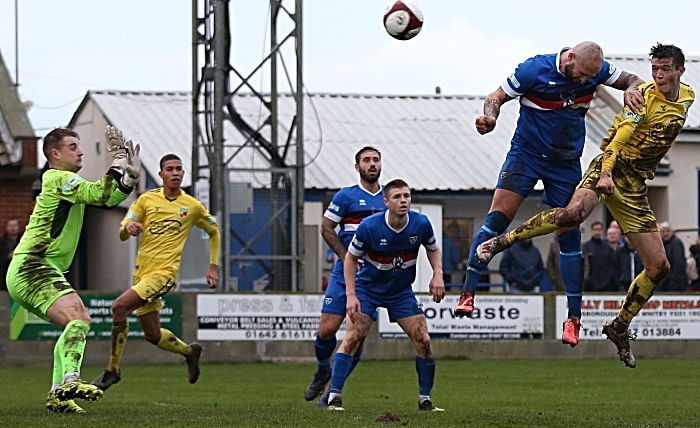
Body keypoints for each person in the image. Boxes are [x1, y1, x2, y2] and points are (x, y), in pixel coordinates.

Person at [476, 43, 693, 367]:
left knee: (659, 267)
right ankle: (501, 242)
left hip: (634, 186)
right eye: (655, 69)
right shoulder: (642, 97)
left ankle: (619, 326)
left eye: (665, 70)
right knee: (573, 215)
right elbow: (619, 138)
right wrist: (606, 173)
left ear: (680, 71)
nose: (659, 76)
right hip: (610, 167)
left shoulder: (686, 97)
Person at [454, 41, 644, 349]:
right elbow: (496, 96)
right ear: (569, 58)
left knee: (569, 234)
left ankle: (573, 318)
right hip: (525, 157)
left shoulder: (595, 70)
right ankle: (468, 292)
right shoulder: (534, 69)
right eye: (581, 74)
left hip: (565, 163)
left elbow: (631, 78)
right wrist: (489, 117)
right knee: (497, 221)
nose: (585, 82)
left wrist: (632, 88)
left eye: (590, 78)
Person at [6, 126, 141, 412]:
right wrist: (117, 161)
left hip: (36, 267)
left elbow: (107, 199)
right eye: (72, 147)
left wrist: (129, 177)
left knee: (76, 321)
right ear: (55, 154)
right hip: (33, 265)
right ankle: (70, 380)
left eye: (79, 146)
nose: (80, 151)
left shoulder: (68, 182)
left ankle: (59, 397)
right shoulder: (57, 178)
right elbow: (97, 192)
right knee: (79, 318)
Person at [92, 152, 220, 391]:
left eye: (179, 169)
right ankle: (190, 352)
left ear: (183, 174)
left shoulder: (192, 206)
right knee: (152, 335)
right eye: (170, 169)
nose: (175, 173)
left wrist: (212, 267)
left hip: (164, 275)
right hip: (142, 273)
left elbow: (214, 231)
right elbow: (121, 230)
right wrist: (128, 227)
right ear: (161, 174)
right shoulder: (146, 200)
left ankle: (112, 370)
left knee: (119, 307)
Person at [325, 179, 445, 412]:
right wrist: (351, 295)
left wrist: (437, 274)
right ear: (386, 202)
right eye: (398, 197)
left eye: (407, 196)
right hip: (368, 290)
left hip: (400, 292)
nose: (403, 201)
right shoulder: (370, 226)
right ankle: (334, 397)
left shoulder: (421, 224)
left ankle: (425, 400)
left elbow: (433, 248)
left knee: (423, 339)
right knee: (353, 337)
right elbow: (350, 259)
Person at [304, 146, 386, 405]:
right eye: (366, 160)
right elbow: (326, 228)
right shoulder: (346, 197)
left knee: (356, 335)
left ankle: (333, 390)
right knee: (327, 330)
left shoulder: (389, 198)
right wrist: (344, 256)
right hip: (344, 272)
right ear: (357, 167)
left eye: (375, 160)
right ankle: (321, 370)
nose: (371, 164)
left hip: (371, 277)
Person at [582, 221, 615, 292]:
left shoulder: (608, 248)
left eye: (599, 230)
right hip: (589, 285)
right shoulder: (586, 247)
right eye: (595, 230)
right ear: (592, 231)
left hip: (606, 285)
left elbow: (612, 265)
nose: (597, 232)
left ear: (602, 231)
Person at [657, 221, 687, 292]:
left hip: (675, 282)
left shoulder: (676, 243)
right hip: (666, 281)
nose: (665, 233)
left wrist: (670, 278)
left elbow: (678, 263)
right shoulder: (662, 244)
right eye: (663, 231)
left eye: (668, 231)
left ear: (672, 232)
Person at [0, 218, 22, 290]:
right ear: (6, 228)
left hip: (20, 278)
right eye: (10, 226)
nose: (13, 228)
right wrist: (8, 256)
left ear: (18, 227)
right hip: (4, 278)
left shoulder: (23, 242)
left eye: (15, 225)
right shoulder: (1, 243)